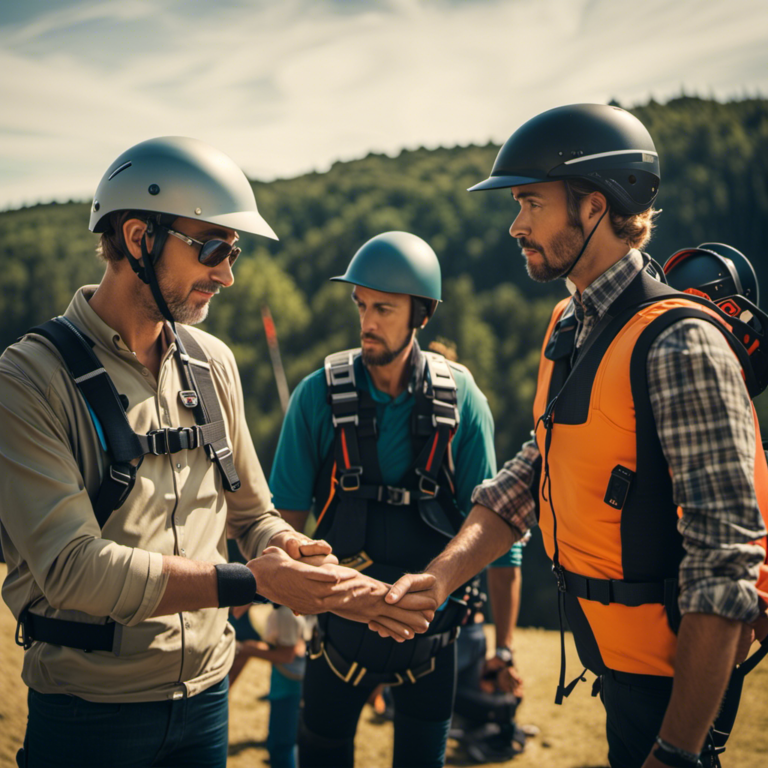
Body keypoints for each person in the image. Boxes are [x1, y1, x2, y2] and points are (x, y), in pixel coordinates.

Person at [0, 137, 434, 768]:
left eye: (232, 252)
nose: (228, 273)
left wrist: (290, 554)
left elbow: (252, 516)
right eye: (212, 248)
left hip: (207, 701)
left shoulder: (212, 364)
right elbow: (70, 569)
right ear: (139, 238)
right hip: (88, 713)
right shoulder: (29, 379)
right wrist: (255, 581)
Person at [380, 104, 768, 768]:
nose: (516, 224)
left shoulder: (681, 346)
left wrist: (675, 753)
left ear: (592, 206)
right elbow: (531, 476)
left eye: (530, 202)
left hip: (677, 697)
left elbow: (726, 565)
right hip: (617, 669)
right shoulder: (571, 323)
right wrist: (436, 580)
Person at [268, 230, 523, 768]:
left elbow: (500, 531)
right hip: (335, 644)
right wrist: (282, 611)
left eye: (384, 308)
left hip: (432, 652)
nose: (367, 322)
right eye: (361, 305)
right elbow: (282, 518)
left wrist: (502, 648)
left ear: (421, 315)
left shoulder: (463, 401)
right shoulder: (317, 396)